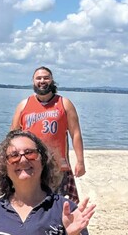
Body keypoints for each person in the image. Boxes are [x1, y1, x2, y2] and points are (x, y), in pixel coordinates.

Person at [10, 66, 86, 204]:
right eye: (38, 78)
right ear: (33, 81)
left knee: (58, 204)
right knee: (32, 202)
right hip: (30, 164)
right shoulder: (23, 105)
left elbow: (75, 134)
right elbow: (12, 138)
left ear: (52, 80)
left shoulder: (64, 104)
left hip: (57, 166)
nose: (42, 81)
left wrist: (80, 162)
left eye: (46, 77)